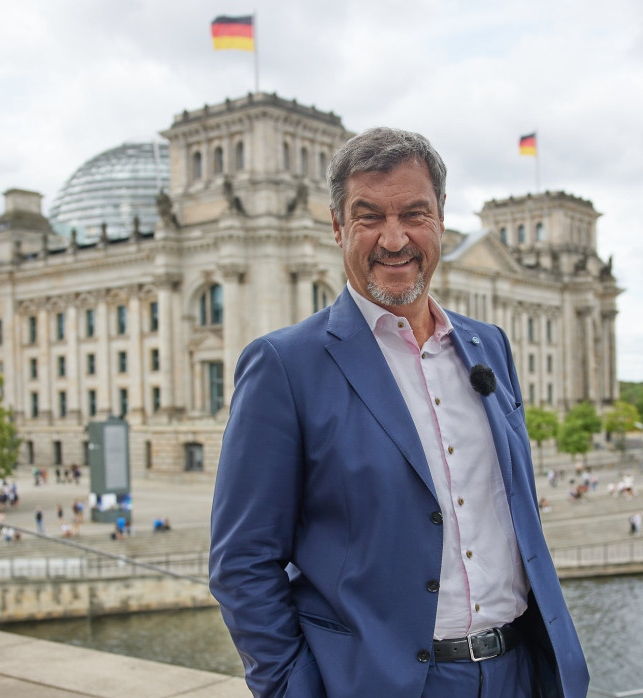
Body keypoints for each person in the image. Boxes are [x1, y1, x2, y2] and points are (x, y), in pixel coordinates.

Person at [209, 127, 588, 697]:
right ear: (337, 227)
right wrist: (293, 690)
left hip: (517, 672)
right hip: (383, 683)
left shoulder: (489, 347)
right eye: (368, 217)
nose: (394, 239)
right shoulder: (285, 366)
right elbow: (242, 561)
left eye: (414, 213)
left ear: (440, 221)